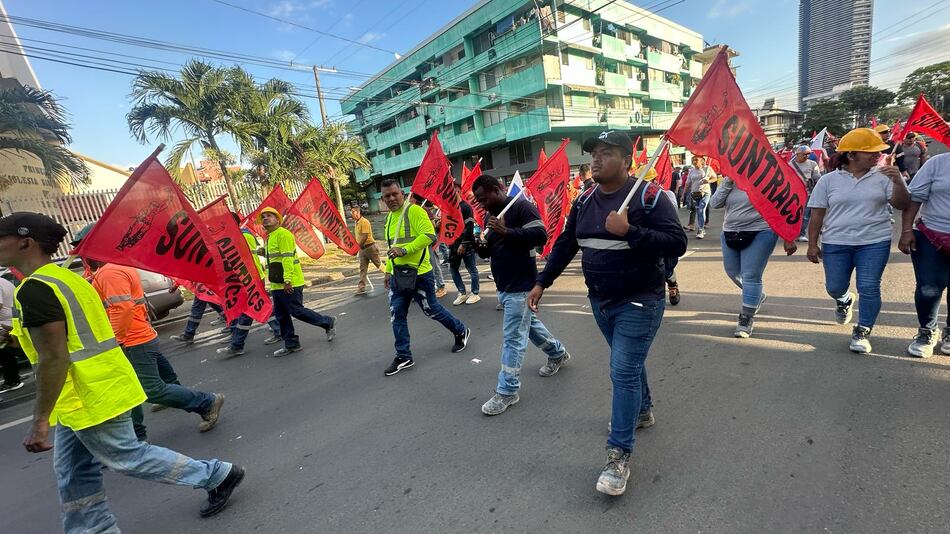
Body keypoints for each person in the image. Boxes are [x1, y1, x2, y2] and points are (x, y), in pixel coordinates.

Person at [0, 212, 244, 531]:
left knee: (127, 456)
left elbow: (54, 357)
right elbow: (56, 342)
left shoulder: (36, 289)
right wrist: (10, 339)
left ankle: (216, 474)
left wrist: (39, 421)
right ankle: (92, 528)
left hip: (91, 396)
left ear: (25, 242)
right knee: (74, 472)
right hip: (86, 396)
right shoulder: (66, 280)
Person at [529, 131, 687, 496]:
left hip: (640, 301)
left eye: (605, 153)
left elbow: (677, 243)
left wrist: (631, 231)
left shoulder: (650, 197)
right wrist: (543, 281)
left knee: (622, 371)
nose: (595, 160)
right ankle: (643, 411)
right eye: (593, 154)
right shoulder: (584, 200)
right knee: (627, 365)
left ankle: (618, 456)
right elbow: (568, 243)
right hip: (600, 302)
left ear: (627, 160)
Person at [77, 237, 225, 440]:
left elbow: (122, 308)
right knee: (136, 385)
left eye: (84, 248)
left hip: (133, 340)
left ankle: (206, 402)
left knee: (149, 389)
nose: (82, 254)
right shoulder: (113, 268)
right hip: (141, 335)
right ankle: (136, 433)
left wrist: (116, 341)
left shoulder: (109, 272)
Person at [471, 175, 571, 416]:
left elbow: (540, 236)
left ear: (499, 189)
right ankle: (557, 353)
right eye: (479, 201)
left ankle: (507, 391)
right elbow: (493, 249)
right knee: (531, 326)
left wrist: (506, 231)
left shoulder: (521, 206)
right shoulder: (490, 214)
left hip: (522, 284)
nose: (482, 205)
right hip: (504, 285)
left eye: (485, 198)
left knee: (513, 338)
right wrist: (480, 245)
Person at [806, 128, 910, 353]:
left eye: (878, 152)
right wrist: (812, 243)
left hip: (874, 241)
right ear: (851, 155)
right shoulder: (828, 181)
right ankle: (844, 299)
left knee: (869, 287)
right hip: (836, 242)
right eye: (870, 152)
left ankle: (862, 330)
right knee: (834, 287)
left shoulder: (885, 175)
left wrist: (899, 181)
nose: (877, 155)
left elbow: (901, 204)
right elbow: (816, 214)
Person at [380, 179, 470, 376]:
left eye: (395, 194)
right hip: (398, 276)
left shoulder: (415, 211)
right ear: (383, 199)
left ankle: (460, 330)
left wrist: (405, 250)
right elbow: (391, 247)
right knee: (397, 315)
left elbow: (430, 236)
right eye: (387, 196)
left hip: (420, 274)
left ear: (401, 194)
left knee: (432, 310)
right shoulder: (389, 219)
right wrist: (388, 270)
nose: (392, 198)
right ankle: (404, 356)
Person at [711, 176, 798, 337]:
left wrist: (788, 237)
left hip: (761, 232)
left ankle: (746, 318)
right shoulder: (729, 181)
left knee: (751, 275)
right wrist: (728, 182)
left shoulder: (766, 179)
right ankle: (757, 295)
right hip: (730, 232)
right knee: (732, 272)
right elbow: (715, 203)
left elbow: (783, 208)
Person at [261, 207, 337, 357]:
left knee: (296, 311)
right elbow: (275, 257)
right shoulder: (269, 237)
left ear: (277, 219)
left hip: (290, 282)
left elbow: (287, 258)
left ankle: (327, 322)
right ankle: (291, 344)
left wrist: (287, 280)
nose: (265, 218)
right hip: (276, 283)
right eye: (263, 217)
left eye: (269, 216)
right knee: (281, 315)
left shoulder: (283, 235)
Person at [899, 153, 950, 358]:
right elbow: (915, 197)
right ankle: (927, 332)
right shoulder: (937, 163)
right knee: (928, 287)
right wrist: (906, 230)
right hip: (932, 236)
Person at [217, 212, 280, 357]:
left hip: (252, 277)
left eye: (223, 223)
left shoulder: (243, 236)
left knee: (248, 310)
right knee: (260, 305)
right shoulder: (237, 236)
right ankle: (279, 330)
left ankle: (237, 344)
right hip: (247, 277)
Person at [449, 187, 481, 305]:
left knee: (471, 268)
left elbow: (469, 227)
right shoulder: (450, 208)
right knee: (453, 268)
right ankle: (462, 292)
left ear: (457, 192)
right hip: (453, 245)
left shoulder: (466, 207)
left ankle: (475, 293)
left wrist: (464, 244)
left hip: (466, 244)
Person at [790, 145, 822, 242]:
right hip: (793, 194)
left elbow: (818, 177)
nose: (806, 156)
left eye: (808, 154)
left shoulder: (813, 164)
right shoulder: (789, 165)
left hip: (808, 193)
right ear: (798, 154)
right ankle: (792, 233)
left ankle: (801, 234)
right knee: (794, 214)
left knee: (805, 214)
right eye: (804, 154)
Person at [0, 275, 24, 392]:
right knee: (5, 352)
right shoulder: (3, 281)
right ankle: (12, 380)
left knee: (8, 350)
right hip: (13, 321)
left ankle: (12, 380)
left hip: (6, 324)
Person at [351, 204, 382, 296]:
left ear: (358, 212)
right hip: (362, 249)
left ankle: (393, 277)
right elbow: (358, 237)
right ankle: (361, 287)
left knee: (379, 265)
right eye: (351, 212)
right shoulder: (356, 223)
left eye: (353, 212)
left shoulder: (364, 222)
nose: (351, 214)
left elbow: (364, 236)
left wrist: (357, 247)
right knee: (363, 268)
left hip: (370, 247)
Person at [685, 155, 715, 238]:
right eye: (693, 160)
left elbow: (714, 178)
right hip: (694, 193)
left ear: (702, 161)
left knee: (701, 210)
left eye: (696, 160)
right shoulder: (691, 171)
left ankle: (700, 230)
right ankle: (702, 227)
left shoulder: (707, 169)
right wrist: (683, 194)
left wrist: (708, 181)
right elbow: (688, 183)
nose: (694, 161)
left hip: (705, 192)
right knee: (698, 211)